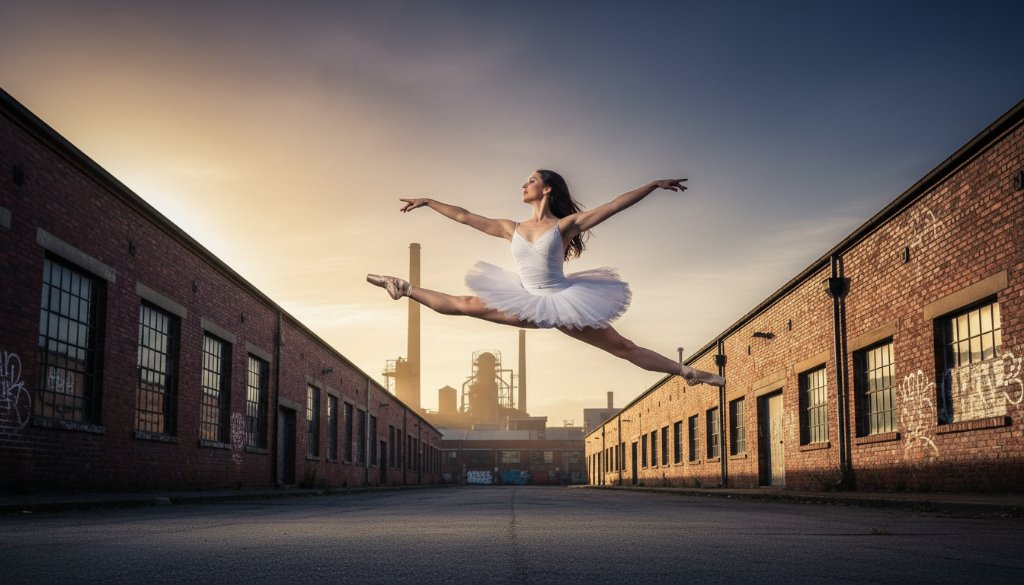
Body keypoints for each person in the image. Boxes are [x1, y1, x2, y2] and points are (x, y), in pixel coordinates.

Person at [367, 170, 725, 387]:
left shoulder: (564, 226)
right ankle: (405, 287)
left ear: (547, 189)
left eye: (532, 180)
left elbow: (613, 205)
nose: (524, 185)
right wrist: (429, 201)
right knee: (462, 305)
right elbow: (464, 216)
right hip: (523, 298)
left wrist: (651, 185)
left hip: (563, 302)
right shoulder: (512, 228)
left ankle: (687, 372)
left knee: (624, 348)